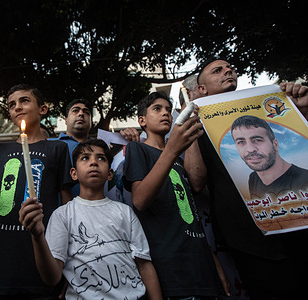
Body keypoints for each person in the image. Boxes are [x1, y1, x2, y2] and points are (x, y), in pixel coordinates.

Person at [196, 57, 308, 299]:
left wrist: (301, 111)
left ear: (275, 142)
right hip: (250, 247)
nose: (228, 71)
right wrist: (191, 123)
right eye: (218, 70)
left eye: (230, 68)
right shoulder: (198, 125)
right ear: (202, 88)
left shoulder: (268, 106)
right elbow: (196, 181)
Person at [0, 84, 73, 299]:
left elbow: (67, 207)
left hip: (38, 257)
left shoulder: (57, 148)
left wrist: (68, 265)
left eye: (24, 101)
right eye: (12, 104)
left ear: (43, 109)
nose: (17, 107)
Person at [19, 138, 163, 300]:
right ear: (73, 173)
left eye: (101, 158)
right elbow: (52, 278)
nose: (93, 162)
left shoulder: (125, 212)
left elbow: (144, 265)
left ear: (110, 174)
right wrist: (37, 236)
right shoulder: (62, 215)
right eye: (85, 158)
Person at [123, 91, 226, 298]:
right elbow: (140, 200)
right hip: (171, 264)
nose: (166, 114)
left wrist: (213, 261)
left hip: (200, 263)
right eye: (157, 109)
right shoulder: (138, 149)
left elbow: (197, 184)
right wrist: (171, 150)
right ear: (141, 120)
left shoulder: (178, 159)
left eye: (169, 110)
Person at [230, 115, 308, 200]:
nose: (250, 149)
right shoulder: (254, 178)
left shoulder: (304, 181)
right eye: (241, 142)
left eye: (257, 140)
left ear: (275, 144)